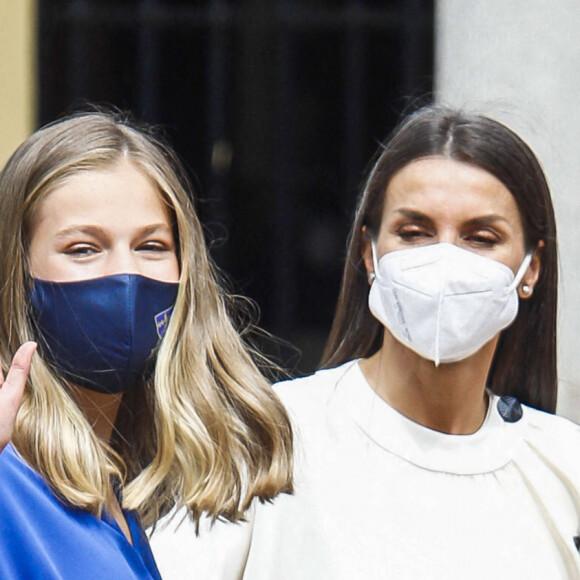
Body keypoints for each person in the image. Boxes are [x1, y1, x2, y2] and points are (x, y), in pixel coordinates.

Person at [152, 104, 580, 579]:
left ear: (531, 269)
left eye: (480, 237)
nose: (444, 259)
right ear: (369, 253)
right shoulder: (268, 441)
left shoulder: (564, 468)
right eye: (414, 233)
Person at [0, 110, 293, 579]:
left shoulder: (112, 488)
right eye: (83, 248)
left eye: (152, 246)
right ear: (16, 276)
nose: (126, 276)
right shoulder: (9, 475)